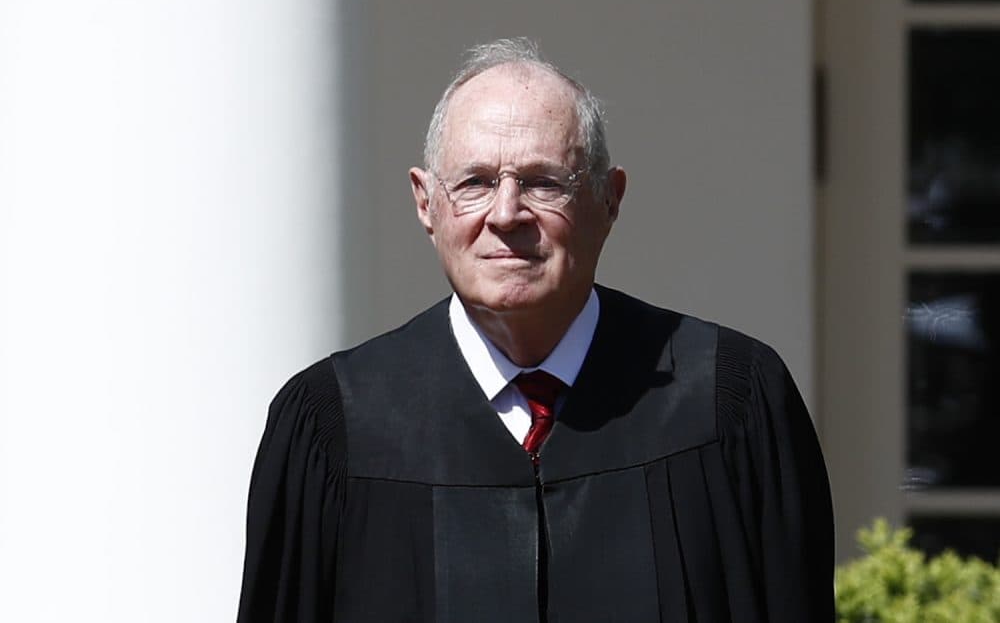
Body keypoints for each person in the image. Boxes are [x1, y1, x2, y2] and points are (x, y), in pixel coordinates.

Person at [237, 38, 835, 622]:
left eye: (545, 183)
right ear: (426, 203)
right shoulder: (333, 426)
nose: (505, 214)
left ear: (609, 199)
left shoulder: (726, 404)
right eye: (473, 183)